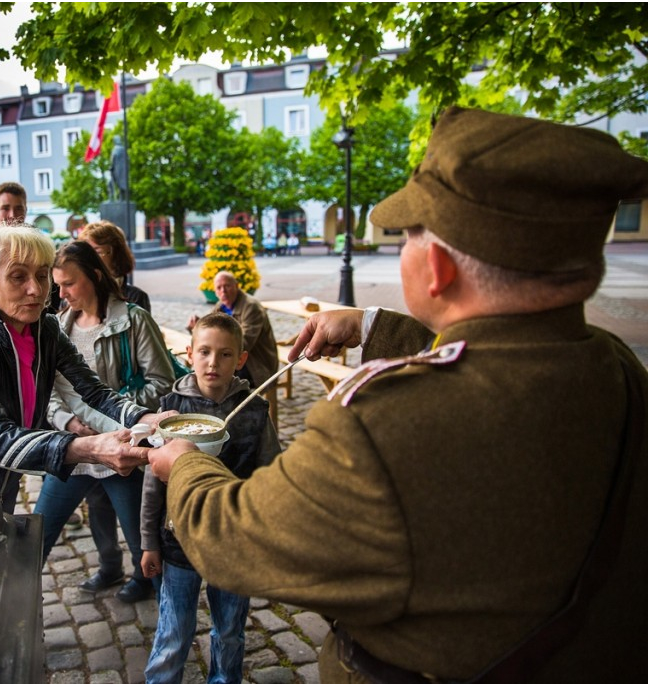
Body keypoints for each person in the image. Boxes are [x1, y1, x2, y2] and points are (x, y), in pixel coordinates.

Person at [149, 107, 648, 682]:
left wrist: (184, 466)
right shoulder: (616, 364)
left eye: (408, 235)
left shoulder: (385, 425)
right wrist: (367, 327)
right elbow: (497, 352)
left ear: (435, 267)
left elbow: (238, 538)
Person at [0, 226, 173, 513]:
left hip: (7, 478)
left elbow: (92, 391)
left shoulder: (46, 328)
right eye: (18, 276)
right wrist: (89, 448)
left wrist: (147, 417)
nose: (37, 289)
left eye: (42, 275)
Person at [141, 313, 280, 683]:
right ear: (189, 353)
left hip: (234, 541)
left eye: (224, 354)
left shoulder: (253, 411)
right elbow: (154, 482)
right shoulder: (171, 408)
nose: (213, 363)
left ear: (241, 360)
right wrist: (148, 543)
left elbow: (271, 472)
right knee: (175, 629)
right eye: (204, 352)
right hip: (178, 542)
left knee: (230, 630)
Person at [37, 241, 174, 602]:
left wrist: (115, 419)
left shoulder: (132, 319)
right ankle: (108, 568)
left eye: (69, 284)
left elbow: (162, 383)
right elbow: (46, 387)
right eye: (58, 285)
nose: (61, 294)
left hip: (122, 446)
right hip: (73, 447)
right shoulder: (55, 327)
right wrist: (67, 423)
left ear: (95, 276)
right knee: (38, 532)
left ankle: (159, 597)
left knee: (141, 534)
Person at [77, 220, 154, 599]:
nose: (91, 260)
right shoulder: (71, 306)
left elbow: (148, 369)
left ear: (114, 255)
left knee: (131, 501)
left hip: (124, 422)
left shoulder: (134, 302)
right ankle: (109, 566)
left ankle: (145, 573)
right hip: (88, 428)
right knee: (96, 499)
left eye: (99, 251)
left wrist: (121, 406)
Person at [188, 271, 278, 389]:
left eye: (227, 286)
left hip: (256, 363)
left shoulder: (251, 307)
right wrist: (198, 328)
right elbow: (211, 334)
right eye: (219, 288)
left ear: (236, 286)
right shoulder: (221, 306)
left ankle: (228, 406)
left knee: (218, 380)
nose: (223, 291)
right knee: (202, 372)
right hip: (233, 356)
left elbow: (244, 344)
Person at [79, 220, 151, 312]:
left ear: (116, 254)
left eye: (97, 252)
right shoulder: (75, 294)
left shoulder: (136, 297)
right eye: (86, 252)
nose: (89, 258)